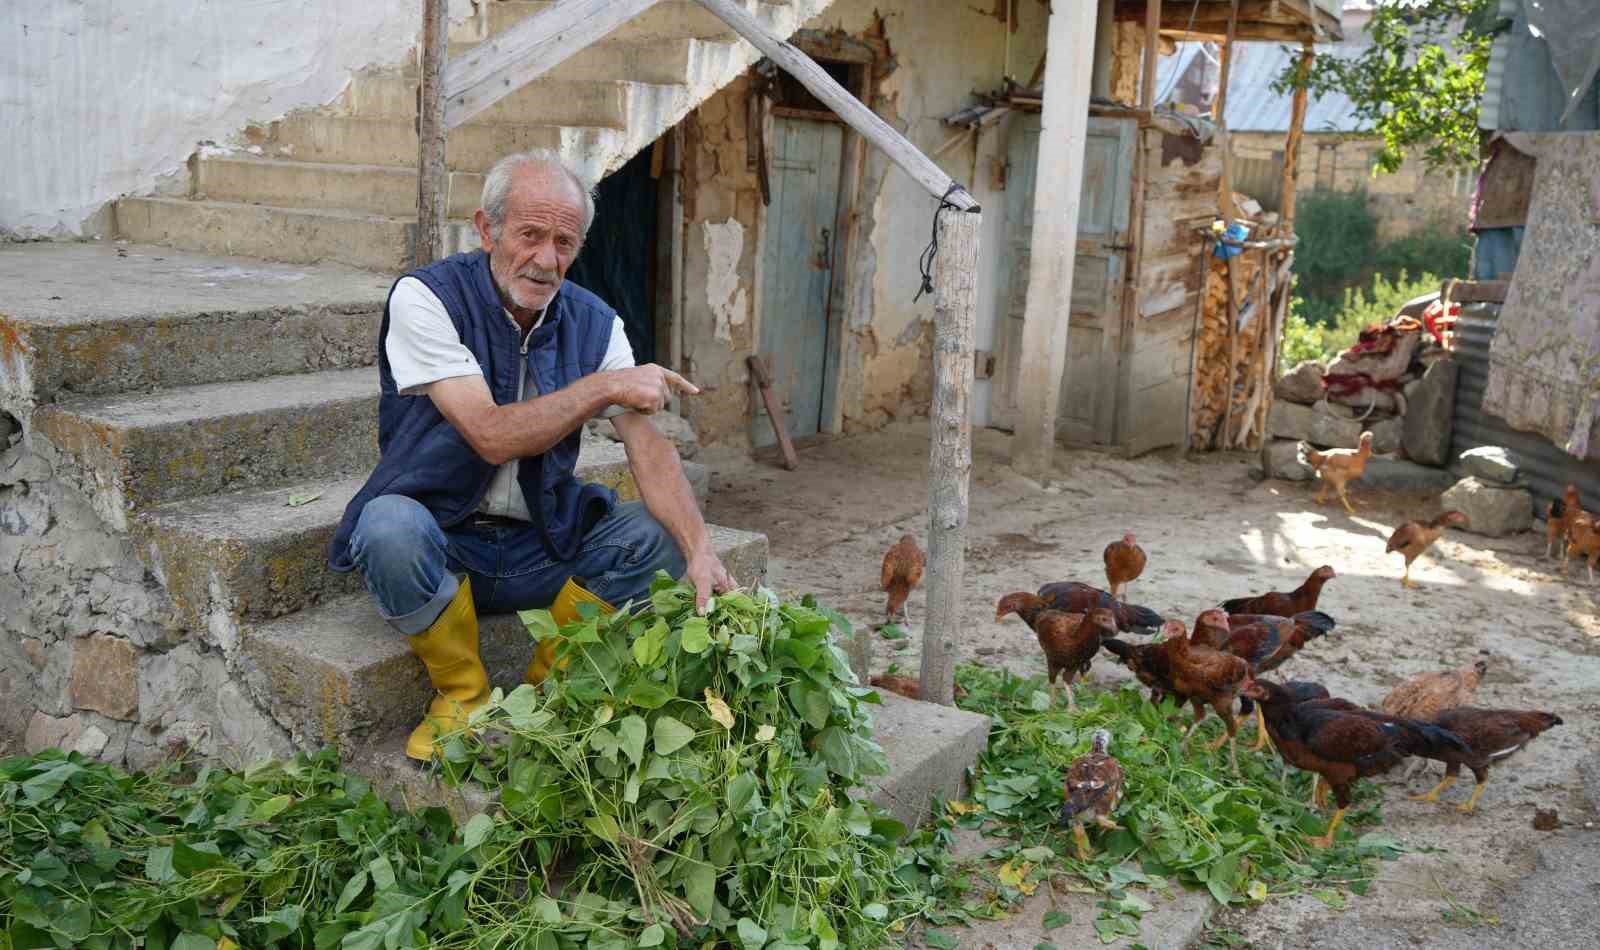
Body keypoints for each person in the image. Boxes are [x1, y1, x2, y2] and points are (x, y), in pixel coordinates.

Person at [326, 149, 734, 762]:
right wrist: (601, 387)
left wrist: (701, 551)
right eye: (531, 235)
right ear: (486, 229)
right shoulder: (427, 298)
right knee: (386, 526)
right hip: (444, 540)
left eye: (565, 243)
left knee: (655, 534)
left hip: (540, 542)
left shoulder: (596, 324)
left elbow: (648, 448)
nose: (547, 260)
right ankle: (462, 694)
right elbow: (489, 434)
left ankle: (547, 695)